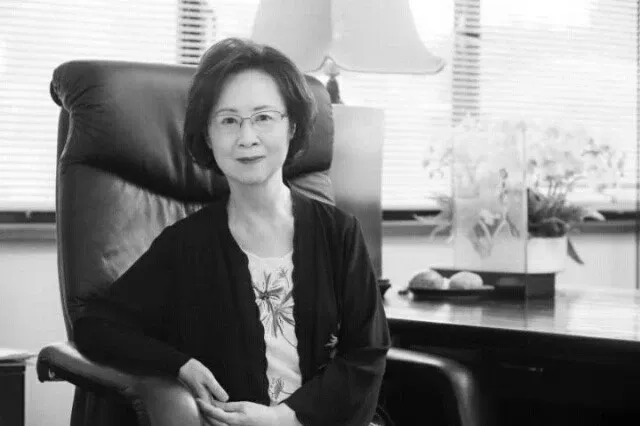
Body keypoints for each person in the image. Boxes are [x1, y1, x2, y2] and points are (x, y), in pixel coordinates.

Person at [72, 37, 391, 426]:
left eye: (263, 117)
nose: (247, 137)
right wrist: (178, 364)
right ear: (208, 136)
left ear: (291, 126)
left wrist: (282, 418)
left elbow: (367, 353)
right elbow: (96, 326)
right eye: (228, 121)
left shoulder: (339, 234)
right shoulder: (186, 246)